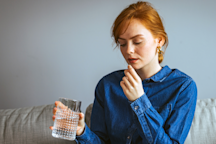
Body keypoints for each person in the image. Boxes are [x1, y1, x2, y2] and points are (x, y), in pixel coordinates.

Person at [50, 1, 197, 144]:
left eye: (137, 41)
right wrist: (81, 132)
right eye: (122, 43)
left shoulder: (183, 87)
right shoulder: (107, 85)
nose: (128, 50)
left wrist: (139, 101)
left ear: (159, 41)